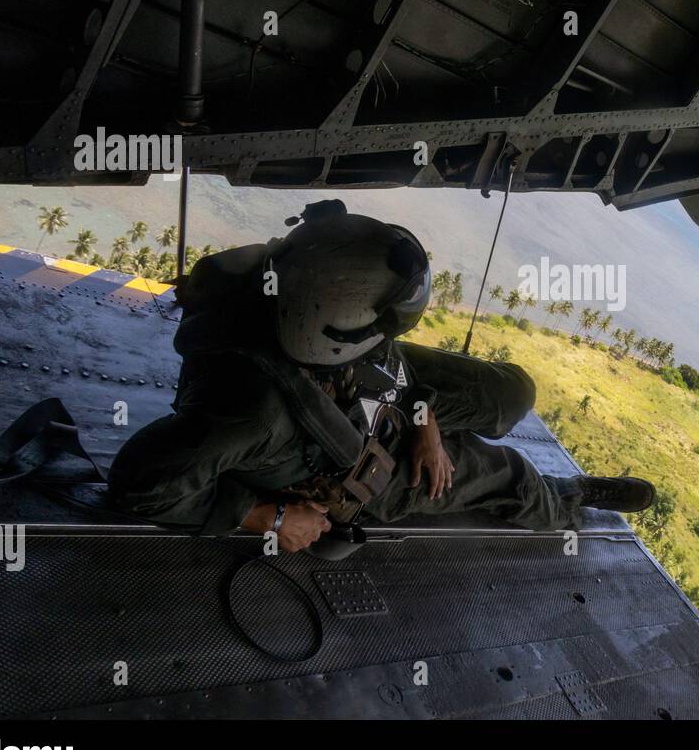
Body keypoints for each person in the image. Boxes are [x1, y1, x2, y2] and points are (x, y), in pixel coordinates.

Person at [108, 200, 654, 558]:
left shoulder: (280, 280)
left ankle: (438, 419)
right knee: (504, 472)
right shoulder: (252, 412)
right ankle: (569, 497)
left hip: (368, 376)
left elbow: (373, 339)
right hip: (362, 457)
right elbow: (140, 486)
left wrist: (425, 418)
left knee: (512, 394)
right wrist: (268, 517)